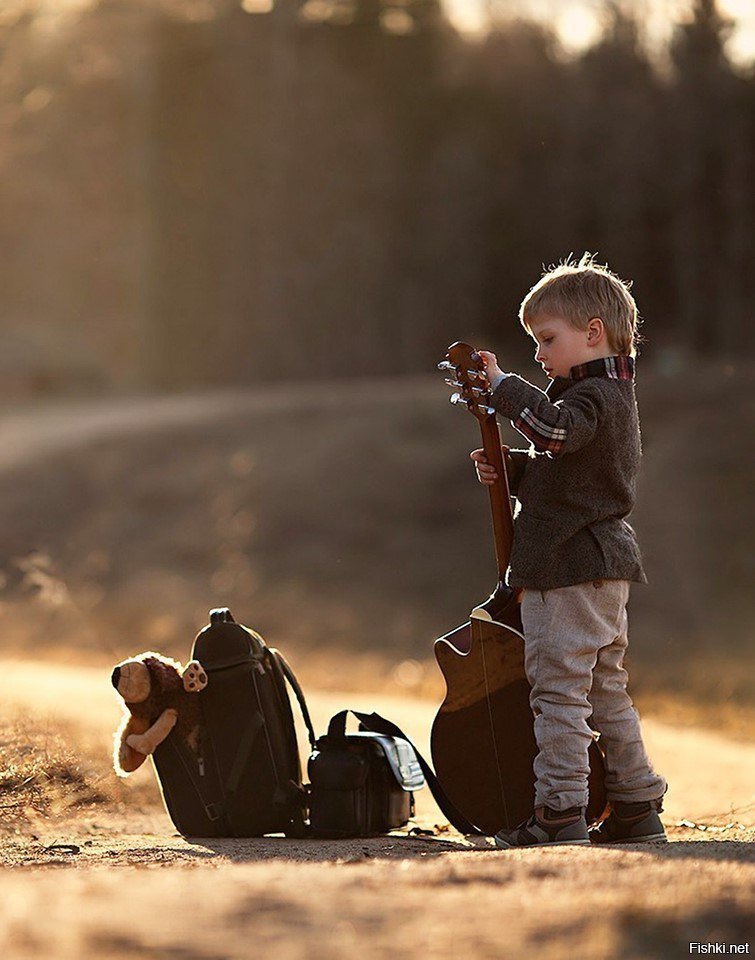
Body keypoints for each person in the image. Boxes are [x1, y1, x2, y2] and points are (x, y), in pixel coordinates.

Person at [470, 253, 667, 848]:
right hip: (604, 568)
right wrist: (513, 471)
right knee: (604, 688)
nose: (539, 355)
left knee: (558, 690)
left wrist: (504, 388)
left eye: (546, 339)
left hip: (569, 567)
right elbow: (573, 476)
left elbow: (556, 431)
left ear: (592, 333)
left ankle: (559, 810)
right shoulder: (608, 398)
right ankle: (636, 803)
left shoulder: (594, 398)